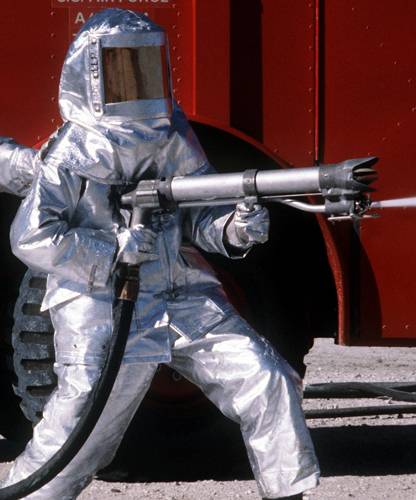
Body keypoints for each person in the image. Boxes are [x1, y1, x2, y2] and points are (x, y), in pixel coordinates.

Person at [0, 8, 320, 500]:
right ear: (91, 74)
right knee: (81, 435)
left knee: (268, 379)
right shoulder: (74, 151)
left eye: (145, 65)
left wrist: (235, 228)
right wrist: (113, 250)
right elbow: (32, 236)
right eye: (121, 68)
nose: (136, 81)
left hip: (182, 293)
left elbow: (199, 215)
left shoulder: (172, 134)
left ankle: (288, 493)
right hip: (103, 305)